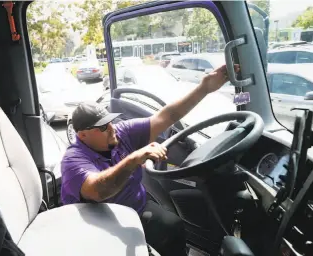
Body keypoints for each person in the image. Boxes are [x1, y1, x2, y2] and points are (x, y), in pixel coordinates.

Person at [60, 64, 238, 256]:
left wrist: (204, 88)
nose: (111, 128)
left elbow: (167, 116)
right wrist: (133, 160)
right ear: (83, 135)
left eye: (110, 121)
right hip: (99, 223)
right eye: (102, 127)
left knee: (173, 226)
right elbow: (98, 190)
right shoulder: (73, 160)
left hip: (135, 207)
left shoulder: (120, 133)